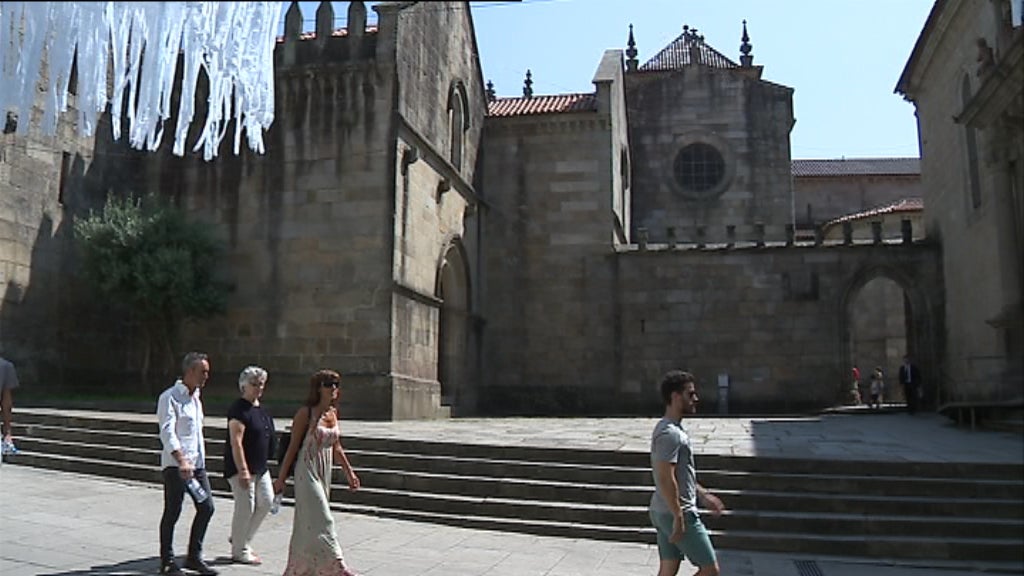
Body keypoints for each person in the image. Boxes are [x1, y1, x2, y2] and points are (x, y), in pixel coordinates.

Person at [274, 370, 361, 576]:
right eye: (328, 384)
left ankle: (303, 568)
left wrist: (349, 473)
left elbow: (336, 447)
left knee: (309, 524)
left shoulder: (333, 413)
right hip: (306, 471)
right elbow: (292, 448)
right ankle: (337, 566)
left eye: (336, 384)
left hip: (324, 471)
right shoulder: (306, 413)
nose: (334, 388)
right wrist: (281, 479)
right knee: (324, 518)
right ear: (318, 388)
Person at [649, 370, 725, 576]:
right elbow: (665, 477)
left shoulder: (672, 429)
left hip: (663, 511)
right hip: (676, 513)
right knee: (710, 570)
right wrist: (678, 515)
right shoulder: (669, 433)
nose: (696, 398)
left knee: (668, 568)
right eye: (690, 394)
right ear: (675, 396)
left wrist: (703, 495)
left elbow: (681, 474)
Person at [157, 352, 218, 576]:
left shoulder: (196, 398)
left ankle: (194, 556)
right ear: (190, 371)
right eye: (203, 372)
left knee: (207, 507)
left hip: (196, 465)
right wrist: (181, 460)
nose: (206, 376)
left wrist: (199, 461)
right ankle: (167, 561)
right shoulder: (170, 397)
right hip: (176, 465)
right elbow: (167, 432)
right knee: (173, 511)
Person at [224, 366, 276, 565]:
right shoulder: (238, 409)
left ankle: (241, 538)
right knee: (245, 507)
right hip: (242, 467)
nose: (258, 388)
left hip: (260, 467)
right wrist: (243, 470)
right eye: (254, 384)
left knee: (267, 501)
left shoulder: (261, 410)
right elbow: (236, 441)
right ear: (243, 386)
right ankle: (239, 550)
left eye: (261, 384)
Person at [0, 355, 20, 456]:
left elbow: (6, 404)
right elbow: (6, 404)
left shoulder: (5, 367)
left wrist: (7, 433)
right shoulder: (5, 366)